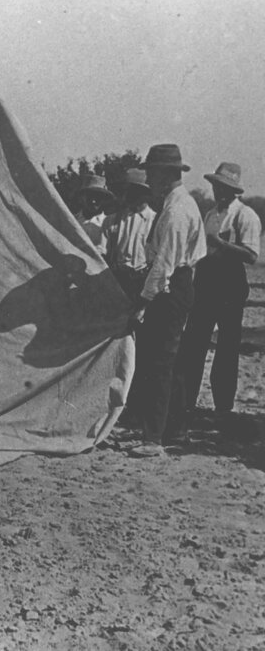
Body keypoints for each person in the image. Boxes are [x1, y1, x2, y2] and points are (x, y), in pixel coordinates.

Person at [127, 144, 206, 458]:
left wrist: (144, 302)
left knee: (160, 363)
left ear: (166, 174)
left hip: (170, 287)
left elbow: (164, 264)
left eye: (154, 173)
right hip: (179, 283)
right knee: (172, 363)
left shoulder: (176, 211)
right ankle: (175, 430)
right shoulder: (178, 204)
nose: (151, 179)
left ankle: (153, 438)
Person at [178, 163, 261, 418]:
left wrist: (221, 244)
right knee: (194, 343)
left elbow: (251, 255)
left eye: (224, 188)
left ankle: (222, 407)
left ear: (234, 190)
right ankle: (186, 402)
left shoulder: (245, 215)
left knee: (227, 348)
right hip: (206, 284)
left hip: (230, 287)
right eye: (216, 186)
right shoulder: (211, 214)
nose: (219, 192)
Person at [103, 168, 156, 303]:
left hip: (143, 282)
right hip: (118, 281)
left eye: (136, 191)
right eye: (127, 190)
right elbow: (101, 251)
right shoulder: (111, 220)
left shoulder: (156, 221)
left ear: (146, 194)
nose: (129, 195)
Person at [73, 174, 114, 252]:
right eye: (90, 196)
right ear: (82, 197)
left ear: (104, 199)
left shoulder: (109, 224)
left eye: (98, 196)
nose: (93, 201)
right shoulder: (72, 221)